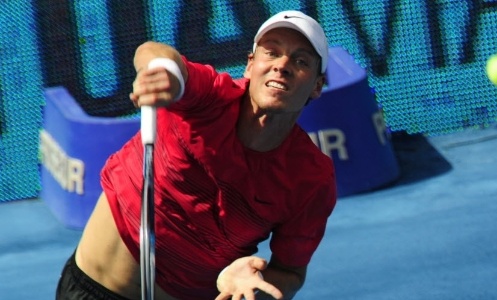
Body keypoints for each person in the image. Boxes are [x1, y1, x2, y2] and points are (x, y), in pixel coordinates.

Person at [56, 10, 337, 300]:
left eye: (300, 61)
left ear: (316, 86)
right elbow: (154, 52)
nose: (282, 66)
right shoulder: (210, 98)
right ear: (250, 66)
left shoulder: (311, 178)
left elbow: (290, 274)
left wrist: (254, 284)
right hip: (92, 289)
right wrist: (161, 71)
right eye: (271, 53)